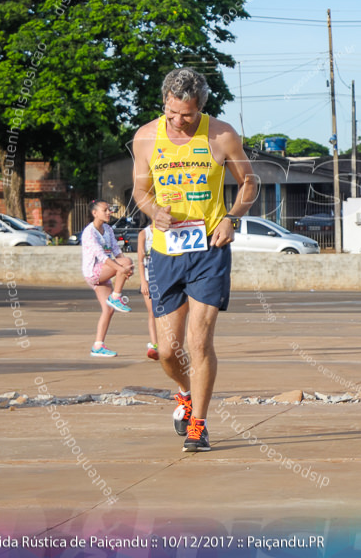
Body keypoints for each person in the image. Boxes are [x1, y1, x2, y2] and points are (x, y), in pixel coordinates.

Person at [132, 67, 258, 452]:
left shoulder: (222, 135)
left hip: (209, 249)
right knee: (169, 350)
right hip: (166, 250)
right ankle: (185, 393)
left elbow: (250, 183)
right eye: (171, 112)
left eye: (186, 114)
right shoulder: (146, 137)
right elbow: (141, 190)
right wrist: (153, 211)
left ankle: (199, 426)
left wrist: (232, 218)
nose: (177, 121)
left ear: (201, 107)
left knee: (199, 342)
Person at [80, 200, 134, 357]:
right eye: (105, 210)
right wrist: (122, 267)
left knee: (108, 310)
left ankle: (98, 346)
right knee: (126, 262)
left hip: (104, 272)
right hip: (93, 272)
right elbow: (102, 256)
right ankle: (116, 296)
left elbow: (116, 251)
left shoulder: (108, 229)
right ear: (95, 213)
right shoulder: (89, 232)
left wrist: (125, 269)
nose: (109, 212)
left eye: (109, 210)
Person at [137, 221, 159, 361]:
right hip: (149, 277)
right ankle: (155, 344)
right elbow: (140, 259)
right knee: (152, 312)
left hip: (165, 276)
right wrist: (143, 282)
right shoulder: (144, 233)